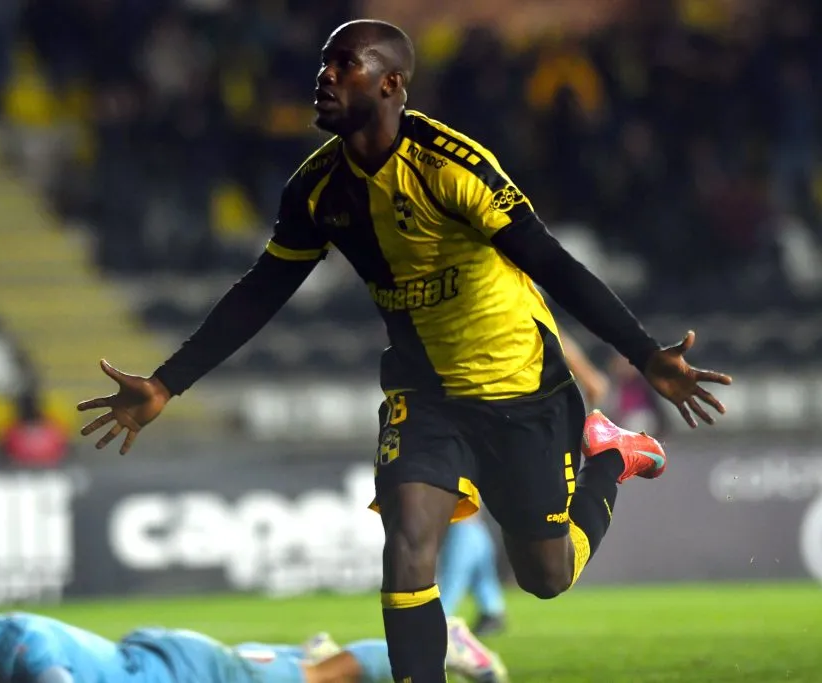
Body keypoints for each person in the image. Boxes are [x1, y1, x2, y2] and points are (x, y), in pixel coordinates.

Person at [76, 19, 732, 683]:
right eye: (324, 65)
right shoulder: (314, 190)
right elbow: (262, 290)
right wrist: (166, 383)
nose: (324, 77)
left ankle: (610, 457)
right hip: (424, 395)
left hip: (523, 387)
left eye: (343, 65)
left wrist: (645, 354)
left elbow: (549, 261)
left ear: (391, 83)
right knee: (408, 544)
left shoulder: (453, 165)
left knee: (546, 575)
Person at [436, 331, 610, 636]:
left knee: (461, 511)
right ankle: (489, 607)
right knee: (463, 514)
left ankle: (440, 617)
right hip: (465, 401)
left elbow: (541, 326)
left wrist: (588, 374)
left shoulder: (494, 297)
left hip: (497, 407)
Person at [0, 611, 508, 683]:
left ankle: (441, 640)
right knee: (306, 670)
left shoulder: (30, 655)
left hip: (179, 671)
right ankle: (309, 653)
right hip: (156, 661)